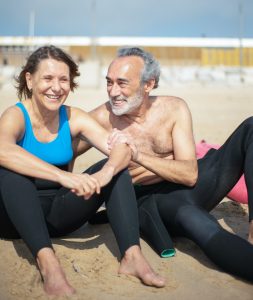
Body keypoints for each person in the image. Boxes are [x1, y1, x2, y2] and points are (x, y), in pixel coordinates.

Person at [73, 46, 253, 283]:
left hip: (193, 182)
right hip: (153, 201)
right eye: (109, 82)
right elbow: (63, 152)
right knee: (196, 222)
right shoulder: (100, 118)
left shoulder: (174, 108)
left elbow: (190, 174)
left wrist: (137, 156)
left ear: (148, 84)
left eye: (122, 83)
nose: (113, 92)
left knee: (250, 127)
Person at [0, 46, 166, 297]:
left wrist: (107, 172)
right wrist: (63, 176)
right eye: (47, 78)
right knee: (11, 171)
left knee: (118, 169)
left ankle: (132, 255)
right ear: (29, 79)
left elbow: (120, 146)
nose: (56, 87)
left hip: (58, 216)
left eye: (63, 80)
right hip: (14, 219)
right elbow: (3, 150)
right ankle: (49, 264)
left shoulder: (73, 117)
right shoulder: (16, 115)